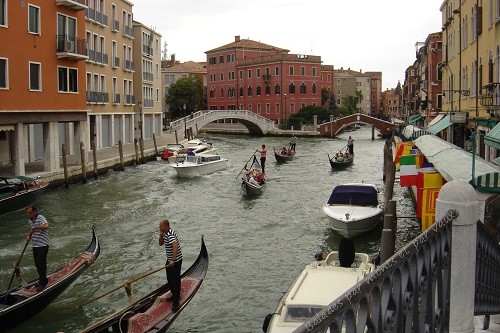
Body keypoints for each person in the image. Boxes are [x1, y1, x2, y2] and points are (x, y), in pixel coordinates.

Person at [159, 219, 183, 312]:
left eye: (160, 226)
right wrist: (161, 235)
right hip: (169, 260)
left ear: (165, 226)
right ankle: (174, 295)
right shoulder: (164, 233)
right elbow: (161, 244)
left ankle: (176, 302)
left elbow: (175, 246)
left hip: (176, 261)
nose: (159, 228)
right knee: (169, 279)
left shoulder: (170, 234)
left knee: (175, 281)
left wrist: (173, 260)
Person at [27, 206, 49, 292]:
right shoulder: (30, 221)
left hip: (43, 245)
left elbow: (46, 226)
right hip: (35, 245)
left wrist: (36, 227)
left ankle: (43, 284)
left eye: (30, 212)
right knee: (37, 264)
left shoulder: (40, 218)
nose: (28, 214)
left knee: (41, 264)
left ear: (35, 212)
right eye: (28, 213)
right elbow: (31, 230)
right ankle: (42, 280)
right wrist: (29, 236)